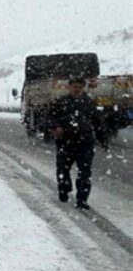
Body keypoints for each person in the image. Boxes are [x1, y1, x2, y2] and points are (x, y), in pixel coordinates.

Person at [48, 77, 108, 210]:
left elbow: (98, 122)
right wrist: (55, 126)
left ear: (83, 88)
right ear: (69, 87)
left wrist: (103, 139)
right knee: (63, 168)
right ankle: (64, 189)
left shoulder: (89, 103)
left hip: (85, 141)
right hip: (66, 141)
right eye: (75, 87)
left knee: (85, 172)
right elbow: (49, 117)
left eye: (80, 87)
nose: (77, 90)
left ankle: (82, 199)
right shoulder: (60, 102)